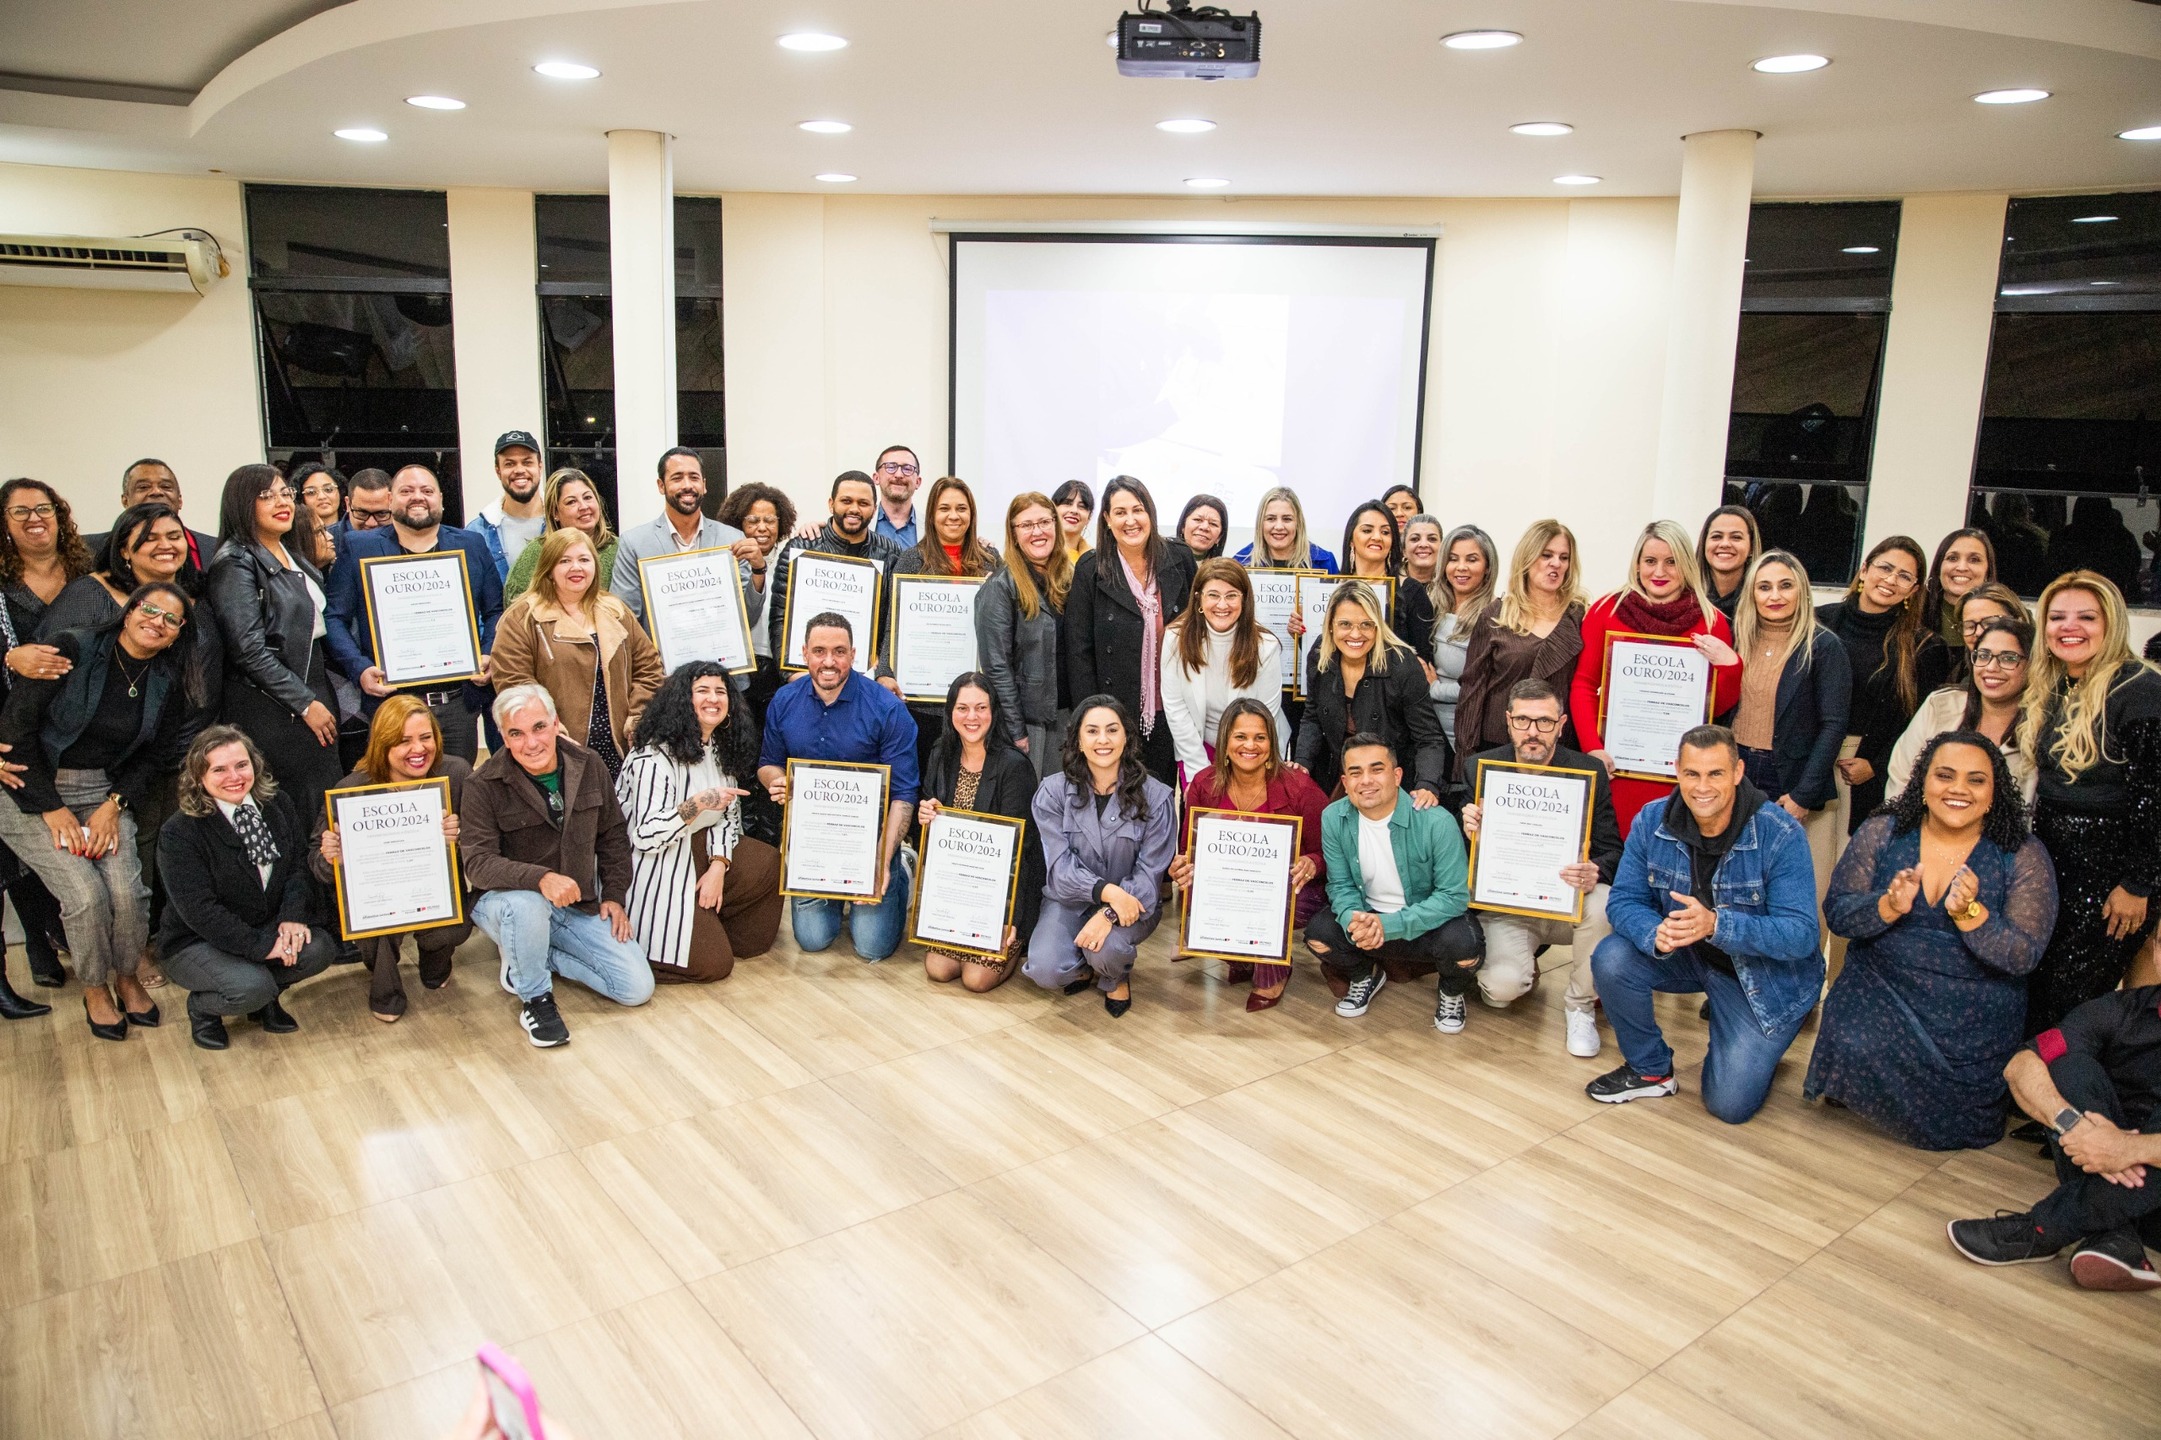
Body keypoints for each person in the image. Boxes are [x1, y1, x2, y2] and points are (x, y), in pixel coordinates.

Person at [1807, 732, 2056, 1150]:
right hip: (1882, 988)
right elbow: (1838, 912)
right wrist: (1887, 906)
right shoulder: (1883, 831)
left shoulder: (2022, 853)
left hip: (1971, 1014)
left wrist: (1971, 915)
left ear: (1994, 793)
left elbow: (2024, 955)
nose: (1958, 789)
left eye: (1976, 780)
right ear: (1923, 783)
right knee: (1855, 1040)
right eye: (1945, 775)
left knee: (1957, 1125)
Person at [1586, 725, 1822, 1122]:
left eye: (1715, 774)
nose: (1702, 787)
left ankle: (1763, 1040)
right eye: (1692, 774)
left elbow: (1801, 935)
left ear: (1738, 772)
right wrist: (1655, 933)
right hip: (1689, 956)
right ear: (1677, 771)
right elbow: (1624, 899)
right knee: (1611, 957)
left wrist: (1716, 925)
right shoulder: (1651, 820)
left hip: (1763, 978)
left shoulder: (1780, 833)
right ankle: (1651, 1070)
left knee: (1728, 1105)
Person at [34, 502, 223, 984]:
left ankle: (170, 941)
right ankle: (131, 956)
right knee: (138, 855)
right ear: (123, 549)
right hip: (127, 759)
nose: (166, 545)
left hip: (190, 748)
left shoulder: (196, 594)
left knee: (181, 852)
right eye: (150, 538)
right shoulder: (91, 595)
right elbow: (44, 663)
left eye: (174, 535)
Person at [0, 582, 195, 1040]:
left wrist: (114, 804)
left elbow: (156, 757)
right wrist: (52, 809)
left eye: (170, 619)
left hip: (103, 794)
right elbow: (14, 728)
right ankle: (94, 988)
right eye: (149, 609)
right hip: (28, 791)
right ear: (129, 611)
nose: (157, 622)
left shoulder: (168, 681)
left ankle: (126, 976)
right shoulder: (73, 648)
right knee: (86, 896)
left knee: (128, 894)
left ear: (178, 634)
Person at [460, 684, 654, 1048]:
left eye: (538, 727)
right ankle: (535, 998)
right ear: (503, 736)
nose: (531, 743)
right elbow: (478, 865)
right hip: (505, 903)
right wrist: (541, 878)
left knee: (635, 988)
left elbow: (613, 835)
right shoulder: (482, 784)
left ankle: (528, 957)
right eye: (516, 734)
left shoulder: (589, 764)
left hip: (575, 904)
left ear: (555, 723)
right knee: (528, 905)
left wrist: (614, 895)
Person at [2017, 571, 2161, 1036]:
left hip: (2111, 883)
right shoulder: (2054, 684)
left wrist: (2138, 884)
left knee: (2070, 1005)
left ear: (2111, 623)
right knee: (2038, 993)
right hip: (2053, 868)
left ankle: (2057, 1082)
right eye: (2057, 617)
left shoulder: (2140, 690)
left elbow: (2155, 799)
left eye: (2086, 617)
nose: (2069, 627)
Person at [1946, 982, 2161, 1291]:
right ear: (2155, 956)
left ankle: (2043, 1229)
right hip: (2111, 1180)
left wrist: (2128, 1148)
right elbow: (2021, 1064)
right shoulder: (2121, 1009)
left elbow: (2126, 1148)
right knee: (2066, 1066)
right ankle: (2115, 1238)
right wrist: (2075, 1128)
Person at [1458, 679, 1620, 1057]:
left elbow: (1615, 850)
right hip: (1509, 905)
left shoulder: (1588, 771)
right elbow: (1461, 863)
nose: (1533, 732)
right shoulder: (1480, 768)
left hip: (1568, 903)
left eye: (1544, 722)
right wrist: (1466, 832)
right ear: (1508, 721)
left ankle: (1579, 1006)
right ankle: (1523, 965)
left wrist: (1595, 870)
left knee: (1604, 901)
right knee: (1501, 990)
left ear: (1561, 725)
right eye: (1523, 720)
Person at [157, 726, 334, 1051]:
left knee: (319, 948)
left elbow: (297, 866)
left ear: (255, 764)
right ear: (198, 776)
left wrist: (292, 917)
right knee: (250, 986)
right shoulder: (179, 833)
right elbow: (200, 911)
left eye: (241, 765)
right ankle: (204, 1009)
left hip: (264, 925)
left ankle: (265, 999)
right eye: (219, 769)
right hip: (197, 940)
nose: (234, 777)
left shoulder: (277, 804)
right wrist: (263, 946)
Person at [756, 613, 919, 961]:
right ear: (804, 653)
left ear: (853, 655)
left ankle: (901, 866)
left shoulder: (888, 709)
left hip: (872, 843)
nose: (829, 662)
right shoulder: (784, 700)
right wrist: (777, 780)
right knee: (812, 940)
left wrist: (882, 860)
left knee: (871, 946)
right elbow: (767, 763)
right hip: (813, 844)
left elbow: (904, 795)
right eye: (819, 651)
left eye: (839, 652)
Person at [1570, 520, 1743, 834]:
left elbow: (1715, 709)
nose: (1659, 572)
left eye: (1671, 562)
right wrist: (1592, 748)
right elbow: (1583, 684)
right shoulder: (1606, 611)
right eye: (1650, 561)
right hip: (1616, 767)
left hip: (1681, 775)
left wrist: (1731, 666)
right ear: (1637, 564)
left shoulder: (1711, 621)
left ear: (1686, 564)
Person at [325, 464, 505, 764]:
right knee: (400, 786)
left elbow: (496, 610)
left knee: (458, 783)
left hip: (457, 706)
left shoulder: (470, 544)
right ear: (390, 499)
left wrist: (488, 653)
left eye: (427, 490)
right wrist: (360, 668)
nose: (417, 497)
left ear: (440, 499)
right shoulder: (360, 547)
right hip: (391, 705)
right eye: (406, 491)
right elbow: (334, 618)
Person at [310, 695, 473, 1021]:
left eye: (425, 737)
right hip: (379, 896)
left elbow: (484, 845)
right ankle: (385, 988)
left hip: (436, 892)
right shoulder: (351, 789)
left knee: (452, 927)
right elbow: (316, 863)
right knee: (375, 922)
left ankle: (435, 960)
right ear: (382, 745)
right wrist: (330, 856)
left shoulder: (456, 774)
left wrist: (460, 837)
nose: (419, 749)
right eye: (404, 741)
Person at [618, 662, 782, 983]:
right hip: (654, 863)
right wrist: (697, 805)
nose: (713, 698)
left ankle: (710, 925)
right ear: (682, 699)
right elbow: (645, 836)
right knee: (713, 966)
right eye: (702, 691)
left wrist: (719, 865)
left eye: (721, 691)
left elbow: (728, 819)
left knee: (766, 862)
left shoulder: (718, 749)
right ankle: (636, 953)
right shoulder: (652, 757)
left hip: (699, 849)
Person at [1307, 732, 1484, 1030]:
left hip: (1426, 922)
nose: (1366, 781)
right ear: (1345, 782)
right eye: (1356, 773)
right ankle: (1365, 975)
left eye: (1377, 770)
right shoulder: (1333, 817)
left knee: (1465, 949)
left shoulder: (1436, 821)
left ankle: (1451, 991)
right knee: (1318, 936)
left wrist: (1388, 925)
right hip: (1368, 917)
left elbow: (1453, 897)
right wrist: (1354, 920)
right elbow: (1340, 885)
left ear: (1397, 775)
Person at [0, 478, 101, 991]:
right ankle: (39, 943)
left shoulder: (88, 571)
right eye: (20, 512)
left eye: (43, 508)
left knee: (71, 842)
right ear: (4, 523)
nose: (34, 519)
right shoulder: (1, 585)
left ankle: (68, 934)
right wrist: (8, 655)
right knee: (23, 846)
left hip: (81, 721)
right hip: (14, 722)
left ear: (60, 515)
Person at [205, 464, 345, 824]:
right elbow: (248, 649)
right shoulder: (235, 562)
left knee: (325, 802)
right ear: (241, 503)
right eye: (266, 496)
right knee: (299, 808)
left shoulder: (286, 549)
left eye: (286, 493)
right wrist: (304, 702)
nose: (282, 502)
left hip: (310, 684)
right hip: (273, 703)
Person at [1022, 696, 1177, 1017]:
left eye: (1112, 730)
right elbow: (1059, 869)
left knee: (1108, 950)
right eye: (1092, 731)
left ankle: (1113, 974)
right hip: (1069, 899)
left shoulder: (1157, 797)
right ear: (1078, 740)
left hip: (1133, 904)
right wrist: (1107, 893)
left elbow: (1150, 875)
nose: (1103, 740)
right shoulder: (1052, 792)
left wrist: (1109, 913)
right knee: (1046, 970)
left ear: (1127, 738)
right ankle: (1083, 964)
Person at [1171, 699, 1328, 1010]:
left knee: (1273, 901)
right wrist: (1182, 866)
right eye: (1240, 736)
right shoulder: (1204, 783)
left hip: (1294, 889)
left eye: (1260, 737)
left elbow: (1331, 851)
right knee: (1199, 890)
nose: (1250, 746)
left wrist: (1313, 862)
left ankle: (1272, 971)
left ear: (1272, 742)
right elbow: (1190, 850)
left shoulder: (1298, 787)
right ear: (1225, 741)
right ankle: (1241, 957)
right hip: (1230, 884)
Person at [489, 529, 663, 783]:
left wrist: (638, 716)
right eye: (565, 561)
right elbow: (513, 682)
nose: (576, 568)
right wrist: (549, 730)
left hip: (619, 750)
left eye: (584, 559)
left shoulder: (616, 611)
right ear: (549, 569)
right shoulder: (522, 618)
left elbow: (649, 667)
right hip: (556, 750)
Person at [1726, 550, 1850, 899]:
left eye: (1785, 586)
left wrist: (1802, 795)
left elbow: (1834, 725)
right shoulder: (1737, 639)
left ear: (1802, 592)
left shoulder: (1823, 646)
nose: (1775, 596)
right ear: (1751, 593)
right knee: (1733, 874)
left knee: (1777, 881)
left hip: (1785, 777)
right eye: (1764, 587)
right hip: (1736, 769)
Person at [1062, 476, 1195, 787]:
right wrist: (1091, 722)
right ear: (1107, 520)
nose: (1130, 520)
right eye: (1120, 512)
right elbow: (1079, 653)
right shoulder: (1091, 569)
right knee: (1113, 796)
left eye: (1138, 510)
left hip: (1174, 711)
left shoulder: (1179, 558)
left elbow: (1198, 629)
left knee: (1162, 795)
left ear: (1150, 513)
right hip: (1113, 719)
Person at [916, 672, 1044, 991]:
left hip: (1000, 895)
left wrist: (1009, 919)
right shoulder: (940, 754)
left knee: (976, 979)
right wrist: (926, 813)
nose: (971, 717)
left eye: (981, 708)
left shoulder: (1014, 766)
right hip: (958, 894)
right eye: (962, 708)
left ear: (993, 711)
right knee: (938, 969)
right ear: (950, 712)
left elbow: (1022, 851)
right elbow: (933, 824)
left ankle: (1020, 939)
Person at [1818, 535, 1948, 837]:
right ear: (1864, 570)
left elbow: (1920, 723)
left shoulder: (1924, 647)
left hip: (1864, 775)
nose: (1890, 580)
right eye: (1885, 568)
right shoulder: (1818, 621)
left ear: (1913, 590)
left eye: (1904, 576)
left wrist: (1877, 765)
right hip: (1810, 764)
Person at [872, 475, 1001, 769]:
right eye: (944, 508)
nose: (953, 516)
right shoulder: (911, 561)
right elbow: (894, 625)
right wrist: (884, 673)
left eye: (961, 508)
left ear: (972, 514)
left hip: (975, 703)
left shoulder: (991, 560)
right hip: (922, 702)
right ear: (931, 514)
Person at [1294, 580, 1448, 804]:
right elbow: (1312, 717)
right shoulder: (1320, 654)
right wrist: (1302, 763)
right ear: (1330, 625)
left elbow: (1428, 737)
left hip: (1391, 781)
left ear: (1378, 626)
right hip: (1336, 774)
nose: (1356, 634)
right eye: (1345, 624)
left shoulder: (1403, 664)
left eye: (1366, 625)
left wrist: (1427, 784)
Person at [1456, 518, 1588, 775]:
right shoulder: (1496, 615)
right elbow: (1472, 692)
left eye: (1564, 557)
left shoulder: (1579, 617)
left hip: (1558, 749)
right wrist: (1465, 761)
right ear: (1527, 558)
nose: (1556, 564)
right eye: (1546, 555)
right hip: (1499, 746)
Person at [1160, 557, 1288, 784]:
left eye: (1231, 596)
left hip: (1249, 748)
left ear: (1244, 600)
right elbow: (1175, 707)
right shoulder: (1175, 638)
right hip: (1196, 745)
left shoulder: (1266, 646)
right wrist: (1198, 772)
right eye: (1213, 595)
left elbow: (1266, 715)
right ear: (1198, 599)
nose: (1222, 605)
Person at [609, 447, 765, 632]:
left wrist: (758, 570)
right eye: (677, 478)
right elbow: (626, 621)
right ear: (661, 485)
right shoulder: (634, 543)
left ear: (704, 485)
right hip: (657, 651)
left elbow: (748, 617)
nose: (687, 485)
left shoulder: (732, 539)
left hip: (720, 649)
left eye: (694, 477)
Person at [1887, 613, 2037, 806]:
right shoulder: (1940, 705)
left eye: (2009, 658)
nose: (1991, 667)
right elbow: (1901, 780)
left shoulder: (2044, 724)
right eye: (1983, 656)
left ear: (2033, 665)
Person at [975, 492, 1072, 778]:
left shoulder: (1071, 578)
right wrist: (1016, 731)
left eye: (1044, 522)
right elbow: (996, 667)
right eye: (1027, 525)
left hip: (1068, 719)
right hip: (1030, 726)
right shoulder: (1000, 588)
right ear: (1014, 534)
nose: (1037, 531)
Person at [767, 472, 904, 662]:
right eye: (846, 501)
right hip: (807, 671)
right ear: (831, 504)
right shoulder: (801, 547)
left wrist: (880, 668)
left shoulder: (891, 554)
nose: (854, 509)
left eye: (863, 503)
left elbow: (894, 623)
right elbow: (780, 619)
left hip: (867, 672)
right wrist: (790, 672)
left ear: (874, 509)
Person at [716, 480, 798, 728]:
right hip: (738, 671)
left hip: (777, 671)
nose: (762, 528)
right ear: (738, 523)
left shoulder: (791, 560)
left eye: (770, 520)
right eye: (753, 521)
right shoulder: (723, 561)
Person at [1426, 522, 1497, 790]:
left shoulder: (1494, 617)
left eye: (1472, 559)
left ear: (1487, 567)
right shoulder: (1432, 606)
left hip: (1464, 738)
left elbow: (1483, 687)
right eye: (1453, 559)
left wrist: (1434, 688)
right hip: (1429, 734)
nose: (1461, 567)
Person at [82, 459, 218, 573]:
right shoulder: (86, 548)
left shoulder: (217, 549)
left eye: (166, 486)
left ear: (180, 500)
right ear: (125, 501)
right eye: (143, 487)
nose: (156, 492)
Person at [503, 468, 618, 602]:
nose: (584, 506)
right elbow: (514, 603)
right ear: (555, 513)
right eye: (571, 502)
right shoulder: (537, 552)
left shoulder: (620, 549)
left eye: (587, 497)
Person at [466, 430, 547, 583]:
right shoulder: (477, 532)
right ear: (498, 471)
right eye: (509, 464)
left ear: (539, 466)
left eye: (527, 462)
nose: (519, 470)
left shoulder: (561, 522)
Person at [1339, 499, 1418, 653]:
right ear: (1351, 540)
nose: (1377, 537)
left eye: (1385, 532)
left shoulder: (1411, 591)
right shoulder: (1330, 586)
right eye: (1367, 530)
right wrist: (1301, 630)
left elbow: (1422, 658)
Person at [1924, 528, 1997, 651]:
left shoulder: (2006, 617)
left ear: (1987, 571)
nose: (1962, 567)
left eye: (1974, 560)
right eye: (1952, 558)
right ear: (1938, 567)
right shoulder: (1914, 613)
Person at [1235, 486, 1337, 573]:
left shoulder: (1326, 562)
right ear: (1260, 523)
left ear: (1298, 523)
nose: (1279, 527)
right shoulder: (1239, 564)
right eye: (1271, 519)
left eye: (1287, 519)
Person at [1944, 580, 2026, 683]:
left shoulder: (2042, 674)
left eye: (1990, 623)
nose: (1978, 632)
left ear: (2018, 621)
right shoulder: (1959, 677)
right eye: (1970, 626)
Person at [1697, 504, 1761, 625]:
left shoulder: (1763, 600)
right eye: (1716, 537)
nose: (1725, 544)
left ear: (1751, 547)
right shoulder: (1685, 595)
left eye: (1736, 537)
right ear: (1704, 543)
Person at [291, 462, 346, 569]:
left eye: (328, 490)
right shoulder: (297, 538)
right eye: (311, 492)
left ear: (340, 492)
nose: (322, 497)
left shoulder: (353, 529)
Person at [871, 445, 924, 549]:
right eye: (890, 467)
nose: (899, 475)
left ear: (917, 482)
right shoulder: (863, 523)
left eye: (907, 469)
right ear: (876, 478)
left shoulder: (932, 527)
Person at [1173, 494, 1228, 563]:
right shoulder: (1162, 560)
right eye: (1198, 520)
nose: (1204, 527)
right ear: (1183, 526)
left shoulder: (1225, 568)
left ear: (1219, 536)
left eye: (1213, 524)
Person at [1051, 479, 1094, 565]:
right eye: (1067, 503)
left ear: (1089, 517)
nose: (1074, 510)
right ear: (1053, 509)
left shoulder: (1096, 560)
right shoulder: (1039, 552)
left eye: (1082, 506)